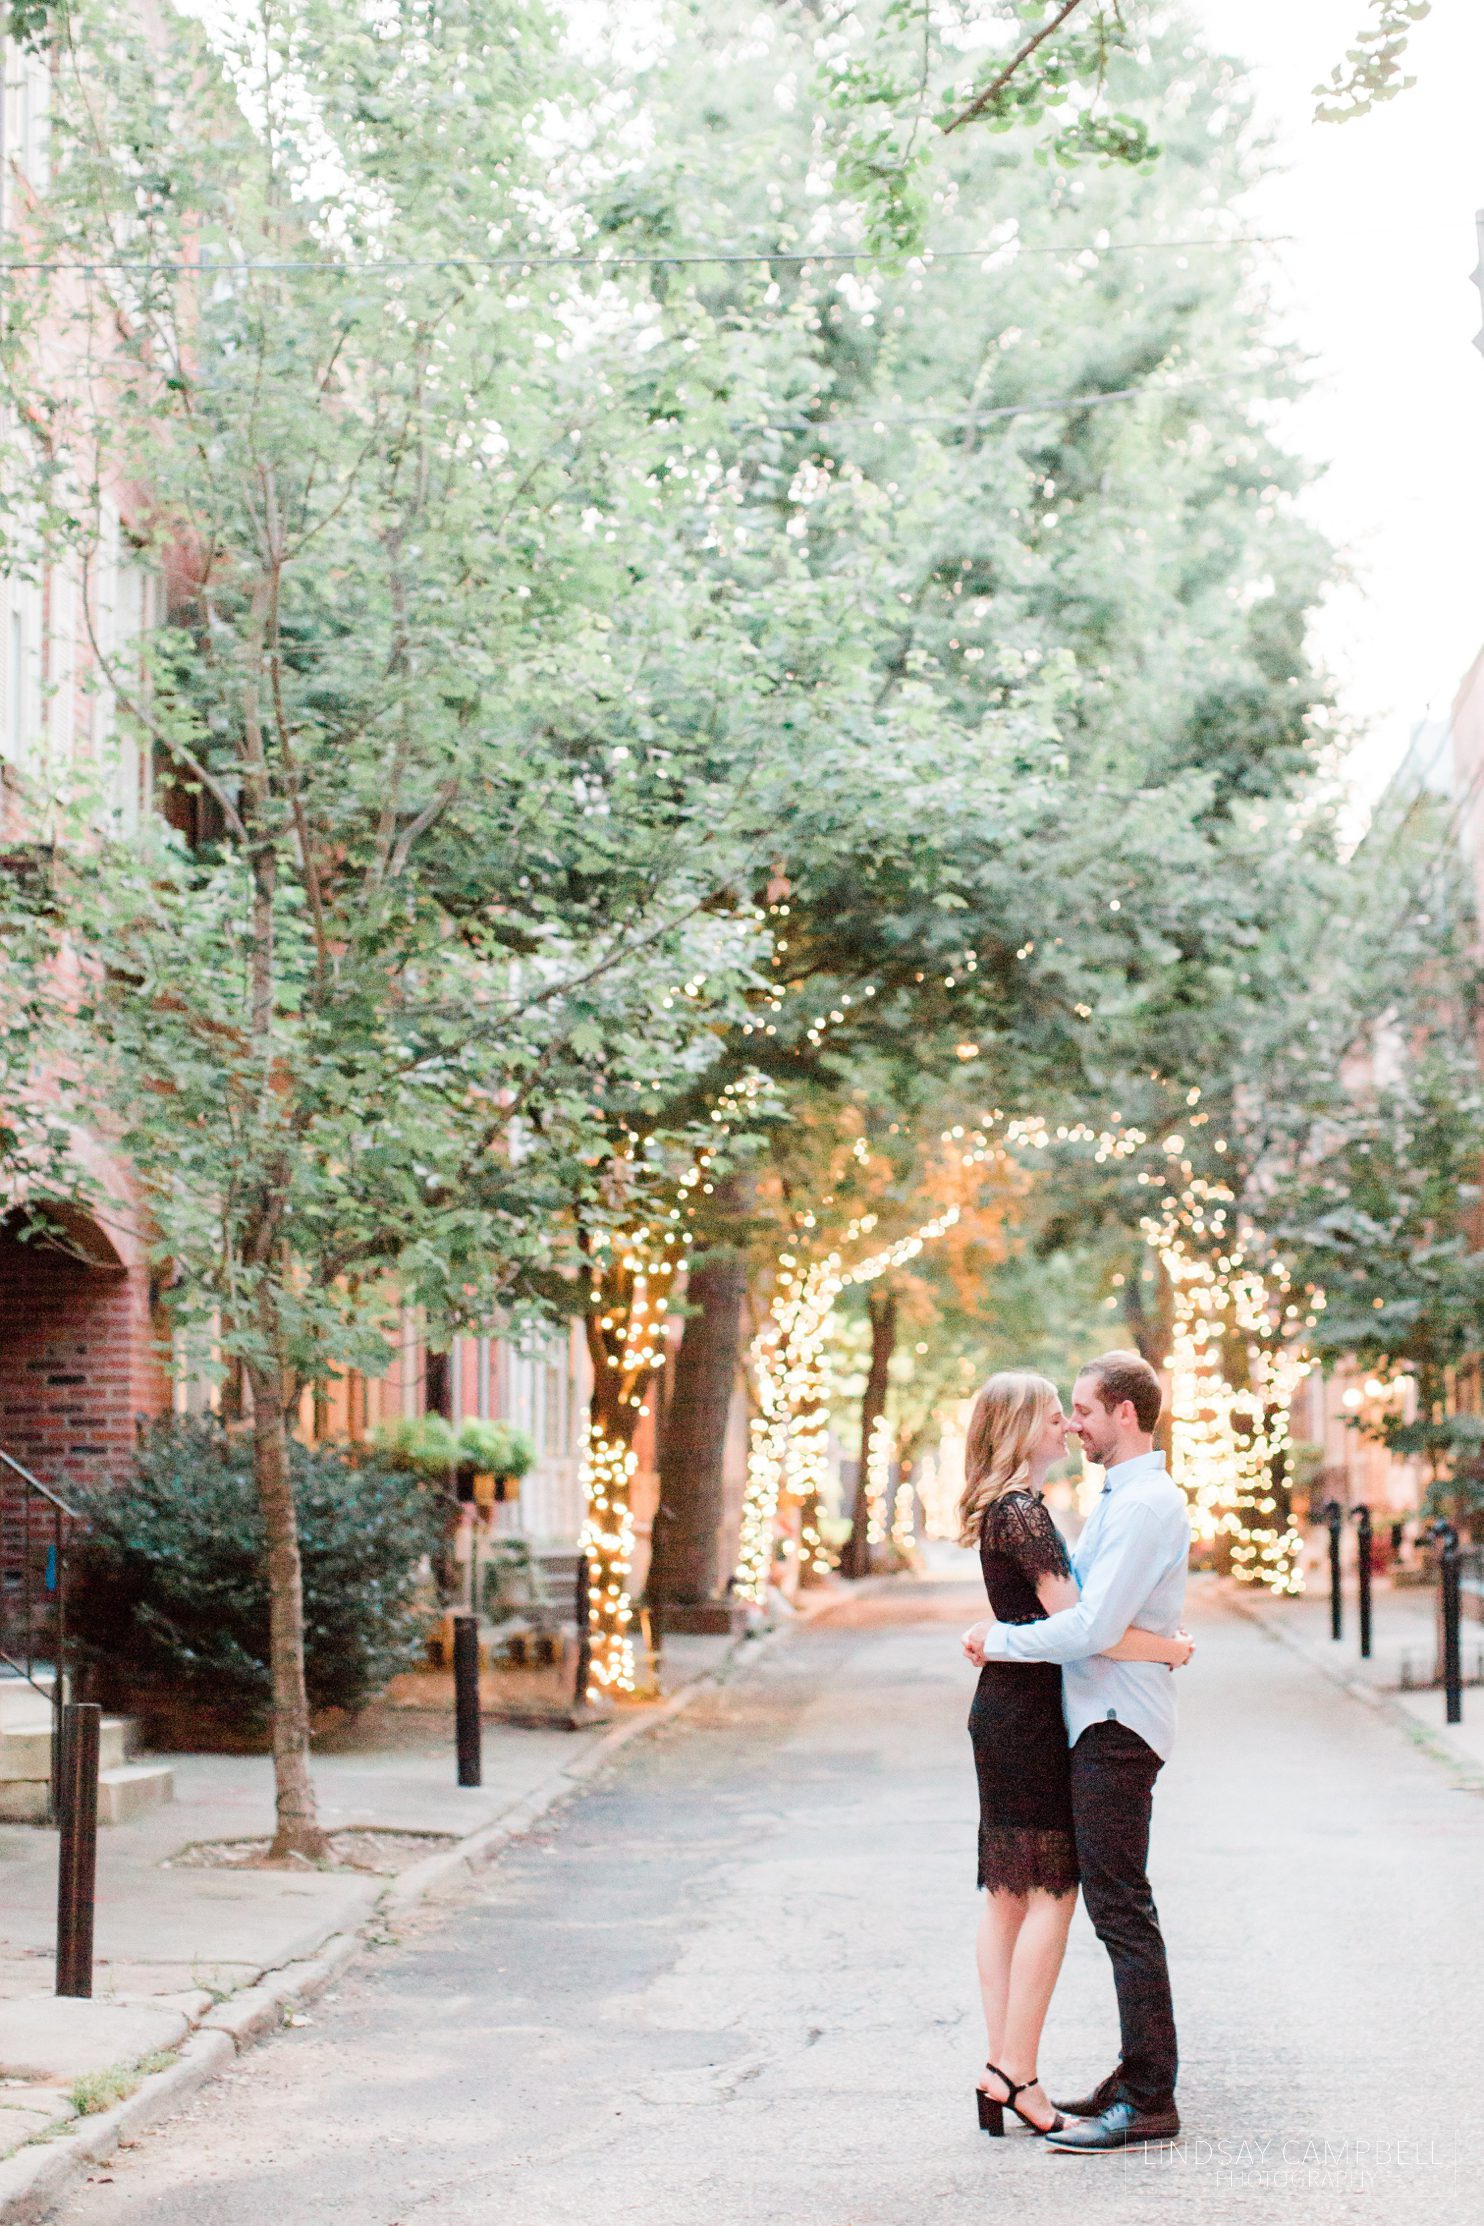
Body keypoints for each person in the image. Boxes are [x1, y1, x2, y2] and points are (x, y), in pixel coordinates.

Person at [963, 1350, 1192, 2153]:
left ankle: (1136, 2089)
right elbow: (1086, 1624)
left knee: (1095, 1900)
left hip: (1110, 1722)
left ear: (1122, 1414)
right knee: (1051, 1895)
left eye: (1083, 1408)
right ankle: (1030, 2073)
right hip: (1059, 1717)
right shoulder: (1076, 1504)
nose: (1071, 1422)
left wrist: (997, 1639)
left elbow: (1088, 1627)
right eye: (1062, 1410)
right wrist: (1165, 1648)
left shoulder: (1137, 1503)